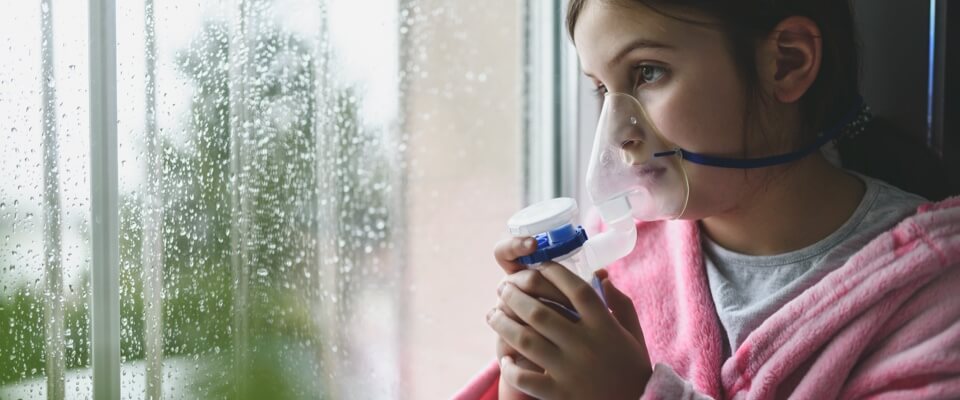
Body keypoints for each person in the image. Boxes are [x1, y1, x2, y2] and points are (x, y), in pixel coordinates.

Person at [453, 0, 960, 399]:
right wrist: (530, 367)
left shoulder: (933, 300)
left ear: (786, 62)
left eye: (648, 73)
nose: (618, 134)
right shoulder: (619, 261)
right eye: (602, 90)